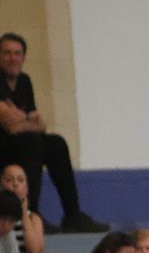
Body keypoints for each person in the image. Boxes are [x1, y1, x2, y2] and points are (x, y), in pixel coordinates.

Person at [0, 33, 106, 234]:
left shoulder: (24, 81)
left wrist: (22, 119)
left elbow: (40, 124)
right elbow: (12, 128)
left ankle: (72, 215)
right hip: (5, 145)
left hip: (21, 143)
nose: (12, 58)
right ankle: (33, 214)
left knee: (56, 143)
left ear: (23, 57)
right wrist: (28, 121)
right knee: (33, 141)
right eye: (6, 53)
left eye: (17, 53)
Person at [4, 161, 58, 253]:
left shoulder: (34, 218)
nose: (15, 184)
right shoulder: (2, 220)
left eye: (20, 180)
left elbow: (34, 250)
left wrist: (23, 215)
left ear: (27, 188)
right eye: (9, 180)